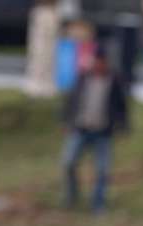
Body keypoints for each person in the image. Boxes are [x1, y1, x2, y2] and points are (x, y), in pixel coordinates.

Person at [61, 42, 129, 212]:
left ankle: (98, 204)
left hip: (102, 132)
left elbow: (122, 106)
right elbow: (71, 101)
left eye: (101, 61)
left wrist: (122, 126)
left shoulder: (113, 80)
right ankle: (71, 196)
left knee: (102, 170)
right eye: (96, 61)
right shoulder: (83, 78)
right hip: (81, 129)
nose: (98, 65)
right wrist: (66, 121)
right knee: (69, 163)